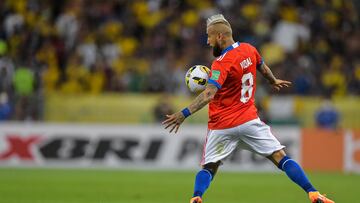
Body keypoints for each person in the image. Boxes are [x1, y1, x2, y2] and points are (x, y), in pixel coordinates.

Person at [162, 14, 334, 203]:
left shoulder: (221, 63)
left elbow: (209, 94)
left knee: (209, 167)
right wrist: (273, 80)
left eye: (209, 36)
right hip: (248, 121)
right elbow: (262, 67)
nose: (208, 41)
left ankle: (196, 197)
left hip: (221, 126)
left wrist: (183, 113)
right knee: (279, 156)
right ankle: (313, 193)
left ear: (220, 36)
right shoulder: (249, 49)